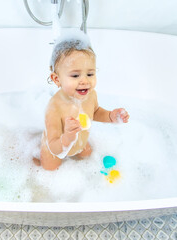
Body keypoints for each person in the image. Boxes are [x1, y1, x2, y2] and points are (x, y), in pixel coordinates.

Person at [34, 33, 129, 170]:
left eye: (90, 74)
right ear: (56, 79)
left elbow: (95, 112)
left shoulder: (90, 95)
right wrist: (67, 138)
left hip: (80, 143)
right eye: (75, 75)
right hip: (55, 150)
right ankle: (34, 159)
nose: (84, 81)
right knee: (49, 170)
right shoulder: (54, 108)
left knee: (88, 155)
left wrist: (110, 116)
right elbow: (54, 146)